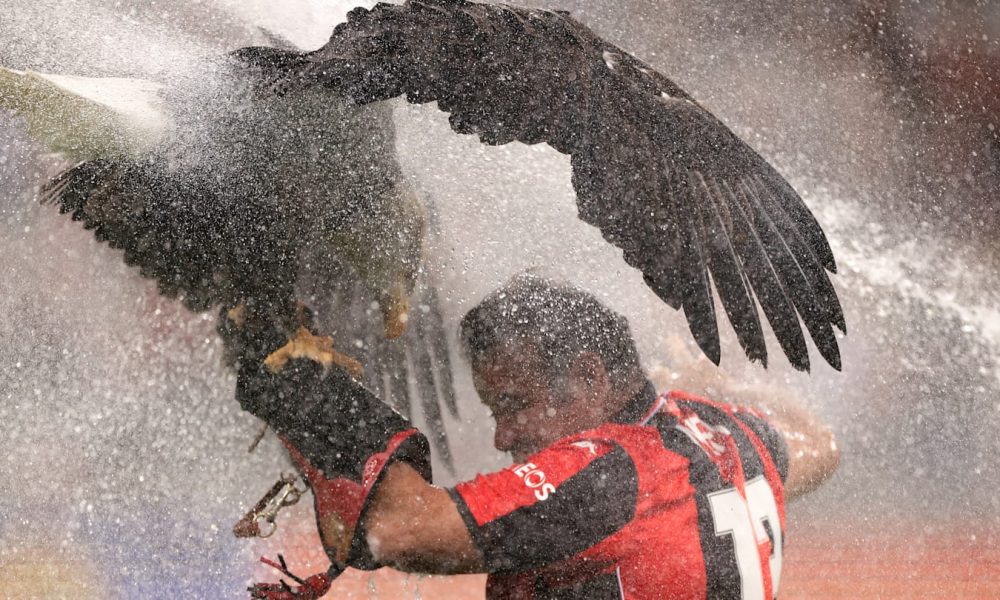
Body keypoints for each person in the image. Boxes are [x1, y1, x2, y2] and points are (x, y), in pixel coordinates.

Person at [237, 275, 840, 599]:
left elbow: (398, 527)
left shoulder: (609, 471)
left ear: (589, 374)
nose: (502, 435)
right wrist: (712, 384)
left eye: (515, 404)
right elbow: (821, 441)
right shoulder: (734, 434)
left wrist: (296, 381)